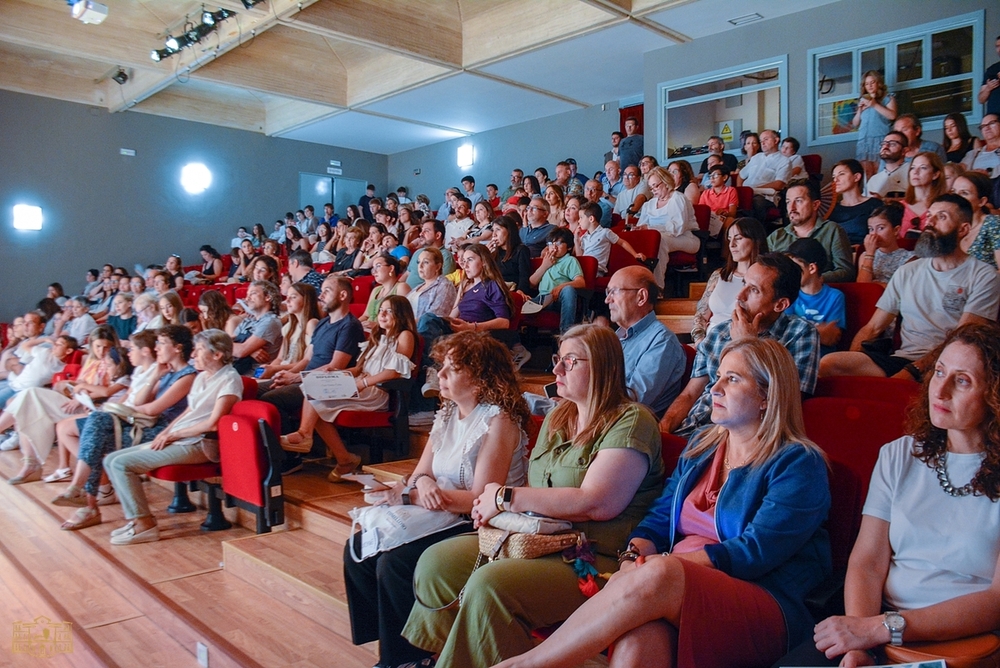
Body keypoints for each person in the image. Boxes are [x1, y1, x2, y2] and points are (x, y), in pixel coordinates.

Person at [495, 338, 831, 668]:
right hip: (675, 589)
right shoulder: (703, 446)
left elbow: (756, 551)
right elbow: (658, 518)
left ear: (766, 396)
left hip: (764, 602)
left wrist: (661, 567)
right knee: (638, 640)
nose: (714, 389)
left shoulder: (799, 463)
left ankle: (532, 663)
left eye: (733, 379)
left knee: (661, 574)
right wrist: (633, 558)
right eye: (717, 377)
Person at [402, 324, 664, 668]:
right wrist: (495, 509)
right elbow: (535, 488)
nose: (556, 370)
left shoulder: (631, 420)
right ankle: (451, 658)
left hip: (592, 558)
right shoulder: (559, 416)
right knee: (437, 563)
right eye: (558, 359)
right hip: (537, 539)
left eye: (569, 362)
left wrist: (505, 498)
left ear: (602, 366)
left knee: (490, 585)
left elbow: (597, 502)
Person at [806, 323, 1000, 667]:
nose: (939, 390)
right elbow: (867, 563)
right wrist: (857, 646)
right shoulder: (899, 454)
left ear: (994, 396)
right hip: (882, 631)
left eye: (962, 380)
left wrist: (881, 629)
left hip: (972, 644)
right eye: (939, 371)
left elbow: (996, 601)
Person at [344, 331, 530, 668]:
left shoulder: (499, 420)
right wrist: (422, 484)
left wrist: (415, 494)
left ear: (479, 380)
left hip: (480, 524)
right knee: (358, 549)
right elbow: (419, 473)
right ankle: (390, 646)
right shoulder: (447, 414)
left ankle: (407, 659)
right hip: (441, 512)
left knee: (394, 563)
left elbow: (479, 500)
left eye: (452, 368)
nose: (440, 375)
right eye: (441, 366)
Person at [820, 194, 1000, 381]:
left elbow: (963, 339)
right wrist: (853, 362)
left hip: (949, 365)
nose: (930, 222)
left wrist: (913, 371)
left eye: (942, 217)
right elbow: (872, 328)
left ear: (963, 229)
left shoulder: (984, 275)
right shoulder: (907, 271)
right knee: (829, 364)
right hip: (903, 359)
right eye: (929, 215)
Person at [103, 329, 242, 545]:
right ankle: (135, 518)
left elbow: (213, 423)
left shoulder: (230, 380)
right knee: (110, 460)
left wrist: (174, 434)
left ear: (218, 354)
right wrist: (166, 432)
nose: (193, 354)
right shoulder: (202, 376)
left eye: (199, 349)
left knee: (121, 464)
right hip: (181, 437)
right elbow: (189, 411)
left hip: (199, 444)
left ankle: (144, 524)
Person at [662, 253, 820, 438]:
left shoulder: (801, 334)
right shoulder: (719, 332)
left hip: (742, 435)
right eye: (744, 283)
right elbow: (690, 394)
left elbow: (783, 404)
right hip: (693, 429)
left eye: (754, 290)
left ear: (780, 304)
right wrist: (663, 431)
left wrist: (746, 344)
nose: (740, 295)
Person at [53, 327, 197, 530]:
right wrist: (155, 375)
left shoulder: (187, 376)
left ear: (177, 348)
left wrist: (124, 409)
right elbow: (141, 399)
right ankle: (84, 499)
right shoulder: (165, 373)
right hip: (147, 424)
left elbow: (152, 409)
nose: (157, 348)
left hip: (162, 432)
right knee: (96, 430)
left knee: (97, 428)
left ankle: (85, 500)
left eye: (162, 343)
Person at [281, 296, 416, 481]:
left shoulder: (405, 335)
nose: (382, 314)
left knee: (316, 397)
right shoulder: (379, 336)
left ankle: (307, 436)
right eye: (381, 310)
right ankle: (342, 458)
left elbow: (393, 372)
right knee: (313, 386)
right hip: (360, 384)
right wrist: (337, 372)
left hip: (376, 392)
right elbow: (359, 368)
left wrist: (363, 383)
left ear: (401, 314)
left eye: (389, 311)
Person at [1, 326, 129, 483]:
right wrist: (73, 389)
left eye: (106, 347)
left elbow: (108, 392)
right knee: (28, 398)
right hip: (78, 401)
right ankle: (30, 463)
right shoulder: (91, 360)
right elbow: (80, 383)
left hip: (92, 406)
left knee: (30, 396)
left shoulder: (114, 362)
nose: (101, 351)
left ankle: (32, 465)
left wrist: (84, 394)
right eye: (98, 346)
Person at [606, 266, 687, 418]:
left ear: (641, 297)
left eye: (614, 291)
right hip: (600, 415)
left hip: (625, 427)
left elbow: (632, 402)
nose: (607, 299)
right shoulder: (614, 338)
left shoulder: (662, 341)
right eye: (608, 292)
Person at [692, 218, 768, 344]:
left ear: (755, 240)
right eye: (729, 239)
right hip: (708, 344)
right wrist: (699, 340)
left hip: (742, 344)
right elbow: (701, 315)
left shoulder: (763, 279)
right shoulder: (718, 275)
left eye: (738, 238)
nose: (731, 245)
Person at [767, 180, 856, 283]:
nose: (792, 208)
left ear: (815, 205)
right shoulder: (776, 236)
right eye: (788, 202)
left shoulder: (832, 231)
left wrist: (813, 279)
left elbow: (846, 272)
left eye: (798, 201)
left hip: (819, 293)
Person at [636, 166, 700, 291]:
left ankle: (657, 287)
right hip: (663, 236)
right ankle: (640, 283)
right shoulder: (649, 205)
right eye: (651, 187)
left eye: (656, 186)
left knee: (659, 241)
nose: (653, 190)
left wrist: (650, 228)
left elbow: (677, 228)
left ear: (665, 182)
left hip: (685, 237)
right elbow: (642, 227)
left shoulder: (677, 198)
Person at [786, 238, 846, 356]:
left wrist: (797, 329)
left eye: (795, 268)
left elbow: (831, 338)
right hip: (792, 354)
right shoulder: (790, 293)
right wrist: (817, 330)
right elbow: (784, 331)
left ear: (812, 268)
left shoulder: (835, 296)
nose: (790, 273)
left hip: (820, 356)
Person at [525, 227, 585, 334]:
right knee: (515, 302)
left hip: (557, 299)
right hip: (541, 299)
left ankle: (565, 334)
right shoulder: (547, 259)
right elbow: (531, 283)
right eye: (551, 243)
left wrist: (561, 286)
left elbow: (581, 282)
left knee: (569, 290)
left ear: (569, 247)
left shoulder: (569, 260)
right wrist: (544, 265)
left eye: (559, 243)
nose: (554, 247)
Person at [257, 283, 320, 382]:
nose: (287, 301)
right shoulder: (289, 326)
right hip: (282, 371)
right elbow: (280, 358)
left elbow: (308, 361)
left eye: (293, 297)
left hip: (296, 375)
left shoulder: (311, 324)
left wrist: (275, 370)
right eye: (287, 297)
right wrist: (268, 369)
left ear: (306, 300)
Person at [575, 202, 644, 277]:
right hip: (584, 268)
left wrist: (635, 254)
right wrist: (576, 240)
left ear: (591, 219)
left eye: (581, 217)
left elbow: (622, 243)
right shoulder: (583, 237)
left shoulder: (605, 232)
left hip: (597, 270)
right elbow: (580, 257)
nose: (579, 221)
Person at [230, 280, 283, 376]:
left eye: (253, 293)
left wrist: (245, 349)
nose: (247, 298)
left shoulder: (270, 322)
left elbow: (240, 351)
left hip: (254, 375)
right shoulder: (248, 321)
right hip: (236, 370)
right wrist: (250, 350)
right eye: (247, 294)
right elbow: (229, 343)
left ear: (267, 297)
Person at [852, 70, 897, 178]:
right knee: (866, 172)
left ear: (878, 83)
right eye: (867, 84)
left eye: (872, 82)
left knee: (879, 171)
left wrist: (874, 105)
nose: (870, 86)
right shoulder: (863, 100)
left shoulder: (887, 98)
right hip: (864, 140)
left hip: (880, 139)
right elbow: (855, 124)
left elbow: (892, 116)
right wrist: (860, 110)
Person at [856, 203, 915, 285]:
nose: (874, 234)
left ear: (896, 230)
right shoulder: (865, 256)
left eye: (881, 228)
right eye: (871, 229)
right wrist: (870, 255)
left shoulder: (909, 258)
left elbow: (903, 289)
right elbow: (863, 287)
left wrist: (877, 285)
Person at [827, 159, 882, 245]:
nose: (835, 180)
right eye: (834, 177)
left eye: (841, 174)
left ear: (856, 177)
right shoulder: (831, 209)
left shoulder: (874, 204)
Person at [955, 171, 1000, 268]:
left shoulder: (993, 224)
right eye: (953, 192)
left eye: (964, 193)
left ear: (982, 201)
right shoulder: (950, 224)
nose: (956, 198)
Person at [899, 151, 948, 238]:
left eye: (923, 168)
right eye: (912, 168)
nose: (915, 172)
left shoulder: (944, 207)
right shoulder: (899, 207)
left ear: (935, 174)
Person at [360, 253, 410, 331]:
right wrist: (354, 324)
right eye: (373, 268)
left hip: (386, 333)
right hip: (367, 330)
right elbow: (366, 315)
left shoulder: (401, 287)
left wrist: (378, 326)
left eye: (378, 266)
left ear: (391, 268)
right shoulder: (376, 290)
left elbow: (404, 319)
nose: (374, 271)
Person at [866, 131, 910, 198]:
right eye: (883, 144)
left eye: (892, 144)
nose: (886, 147)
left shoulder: (912, 172)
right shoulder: (874, 180)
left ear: (904, 150)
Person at [698, 164, 738, 236]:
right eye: (710, 176)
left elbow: (733, 213)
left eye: (715, 175)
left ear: (724, 177)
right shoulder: (705, 193)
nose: (712, 178)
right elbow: (701, 211)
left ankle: (726, 246)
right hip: (709, 220)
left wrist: (724, 214)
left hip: (723, 219)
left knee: (730, 221)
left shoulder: (731, 191)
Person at [980, 35, 1000, 116]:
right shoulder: (992, 70)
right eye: (997, 46)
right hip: (994, 119)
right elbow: (981, 99)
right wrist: (988, 88)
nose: (999, 49)